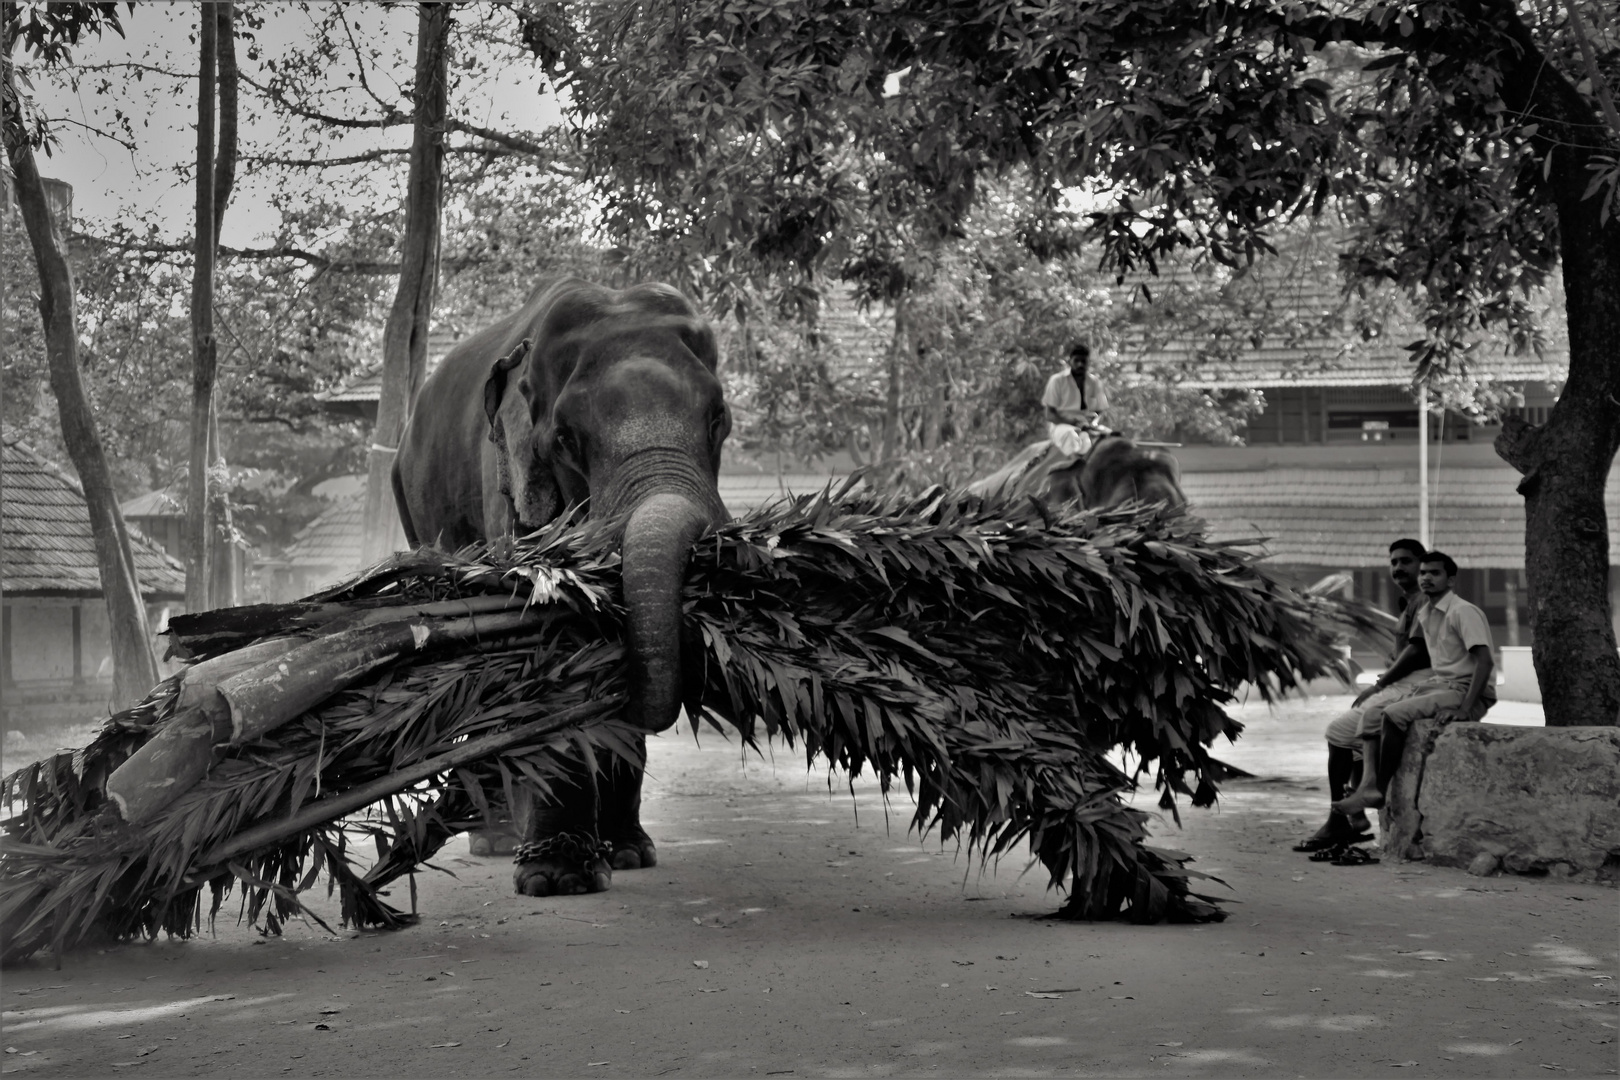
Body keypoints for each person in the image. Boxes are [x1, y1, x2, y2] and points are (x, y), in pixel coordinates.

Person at [1293, 538, 1432, 854]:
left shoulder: (1424, 600)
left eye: (1406, 561)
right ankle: (1352, 816)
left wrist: (1380, 685)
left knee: (1338, 731)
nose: (1398, 568)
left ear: (1422, 565)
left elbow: (1418, 651)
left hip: (1417, 685)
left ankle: (1341, 818)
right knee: (1353, 733)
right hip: (1408, 681)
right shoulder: (1413, 601)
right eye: (1394, 562)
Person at [1333, 551, 1496, 816]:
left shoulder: (1463, 612)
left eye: (1435, 573)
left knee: (1393, 713)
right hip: (1439, 685)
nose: (1426, 578)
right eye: (1423, 573)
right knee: (1372, 714)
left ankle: (1379, 791)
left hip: (1464, 690)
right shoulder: (1427, 613)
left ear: (1451, 580)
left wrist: (1466, 708)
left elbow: (1485, 662)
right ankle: (1367, 785)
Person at [1042, 342, 1110, 458]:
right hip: (1061, 426)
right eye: (1076, 361)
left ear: (1088, 362)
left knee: (1111, 437)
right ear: (1070, 361)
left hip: (1086, 427)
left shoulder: (1094, 382)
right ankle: (1072, 469)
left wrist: (1093, 423)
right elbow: (1049, 415)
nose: (1080, 364)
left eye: (1084, 361)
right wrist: (1074, 423)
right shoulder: (1057, 381)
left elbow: (1100, 410)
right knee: (1071, 436)